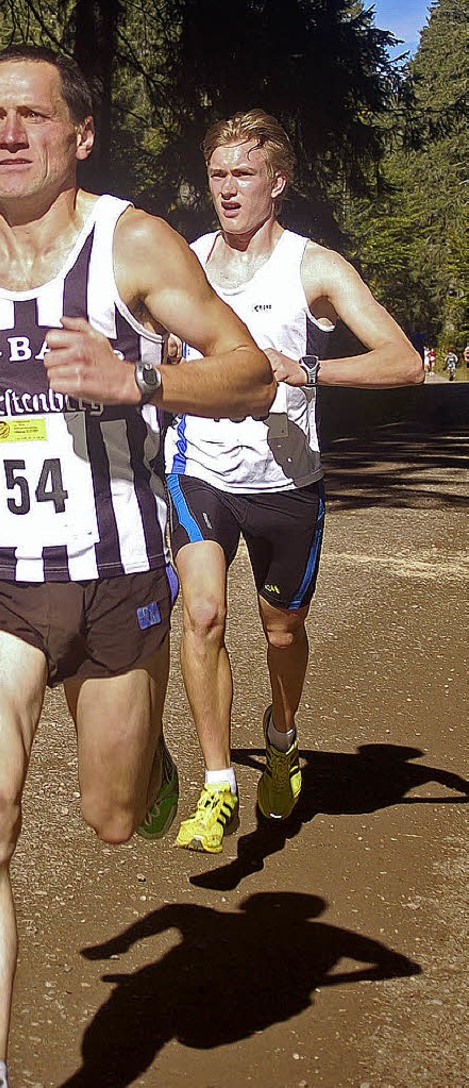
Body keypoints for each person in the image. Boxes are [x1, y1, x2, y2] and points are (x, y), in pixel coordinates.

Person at [0, 46, 274, 1088]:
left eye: (32, 116)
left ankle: (148, 768)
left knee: (112, 821)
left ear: (77, 135)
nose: (9, 133)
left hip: (116, 576)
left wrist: (135, 375)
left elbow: (250, 373)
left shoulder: (130, 246)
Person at [164, 108, 423, 855]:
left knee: (283, 631)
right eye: (217, 174)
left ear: (277, 181)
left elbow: (404, 361)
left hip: (287, 484)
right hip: (200, 470)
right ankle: (218, 784)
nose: (228, 188)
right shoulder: (186, 258)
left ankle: (281, 740)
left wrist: (306, 367)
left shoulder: (314, 266)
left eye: (243, 173)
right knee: (204, 615)